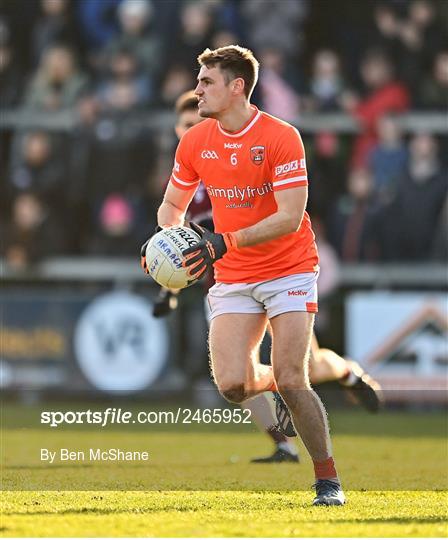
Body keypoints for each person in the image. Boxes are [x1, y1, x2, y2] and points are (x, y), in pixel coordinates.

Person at [145, 45, 348, 505]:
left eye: (206, 82)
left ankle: (327, 480)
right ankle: (284, 377)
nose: (196, 89)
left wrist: (222, 241)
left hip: (288, 268)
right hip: (234, 274)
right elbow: (171, 208)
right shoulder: (195, 140)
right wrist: (164, 242)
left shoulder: (281, 137)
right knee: (233, 386)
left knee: (294, 381)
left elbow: (291, 217)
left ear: (237, 87)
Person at [150, 90, 382, 464]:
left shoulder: (242, 159)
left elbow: (285, 211)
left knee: (305, 368)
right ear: (179, 130)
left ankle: (347, 373)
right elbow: (173, 247)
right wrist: (168, 289)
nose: (196, 129)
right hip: (226, 281)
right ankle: (282, 444)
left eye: (200, 122)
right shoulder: (188, 183)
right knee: (236, 377)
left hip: (278, 271)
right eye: (187, 125)